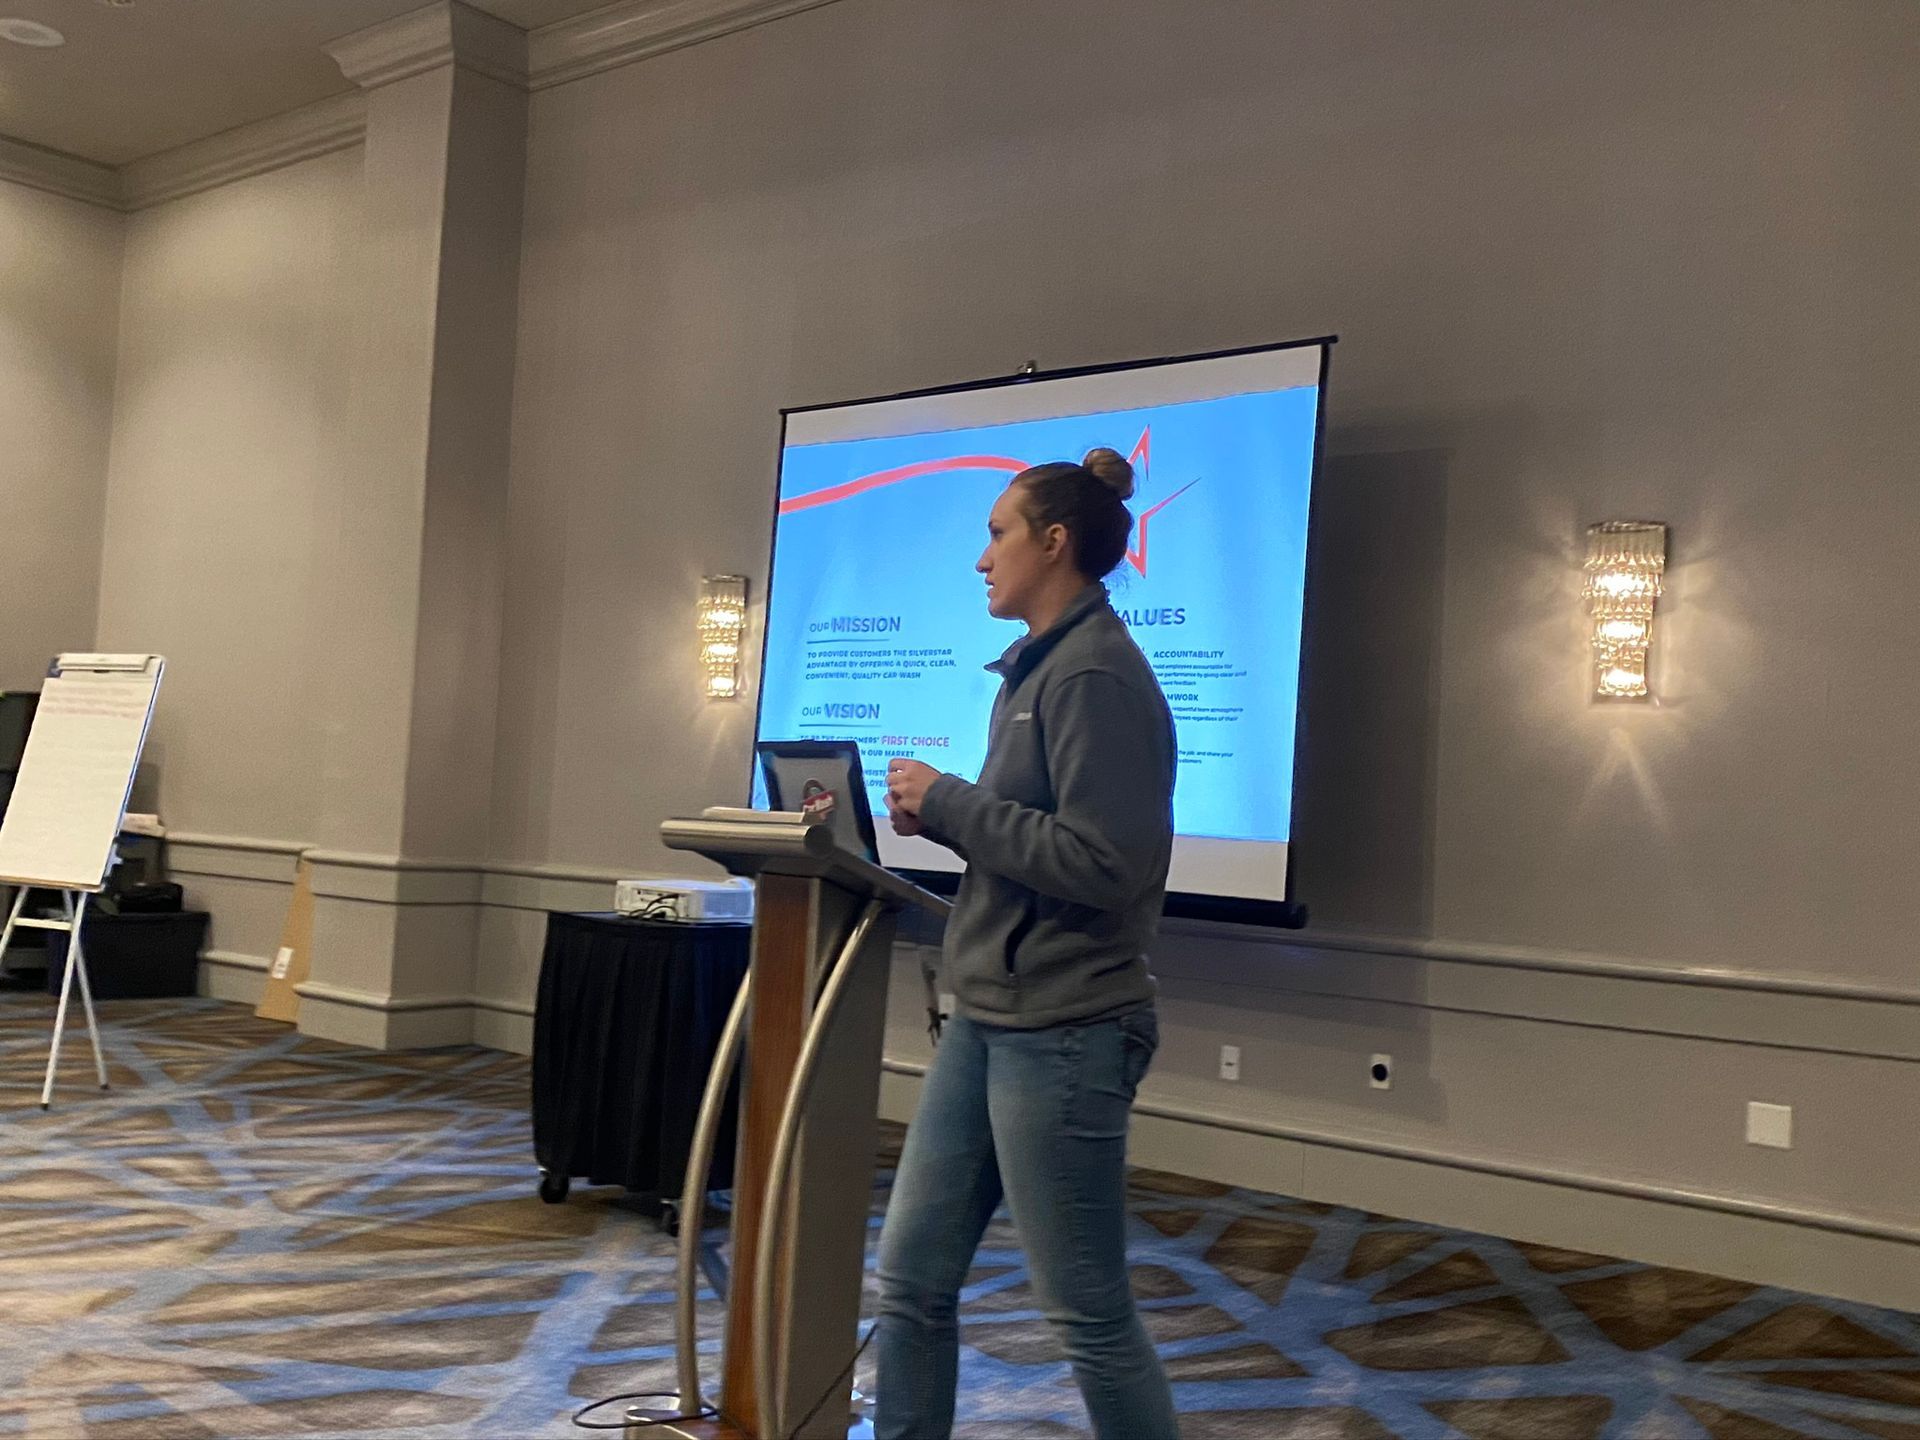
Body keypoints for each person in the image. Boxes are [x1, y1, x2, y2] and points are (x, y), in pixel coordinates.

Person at [876, 445, 1180, 1440]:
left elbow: (1105, 862)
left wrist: (954, 804)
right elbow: (1035, 839)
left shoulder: (1094, 676)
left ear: (1054, 544)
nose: (981, 560)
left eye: (996, 533)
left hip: (1066, 1029)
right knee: (912, 1282)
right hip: (990, 1019)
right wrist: (954, 820)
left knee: (1087, 1318)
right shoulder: (1038, 672)